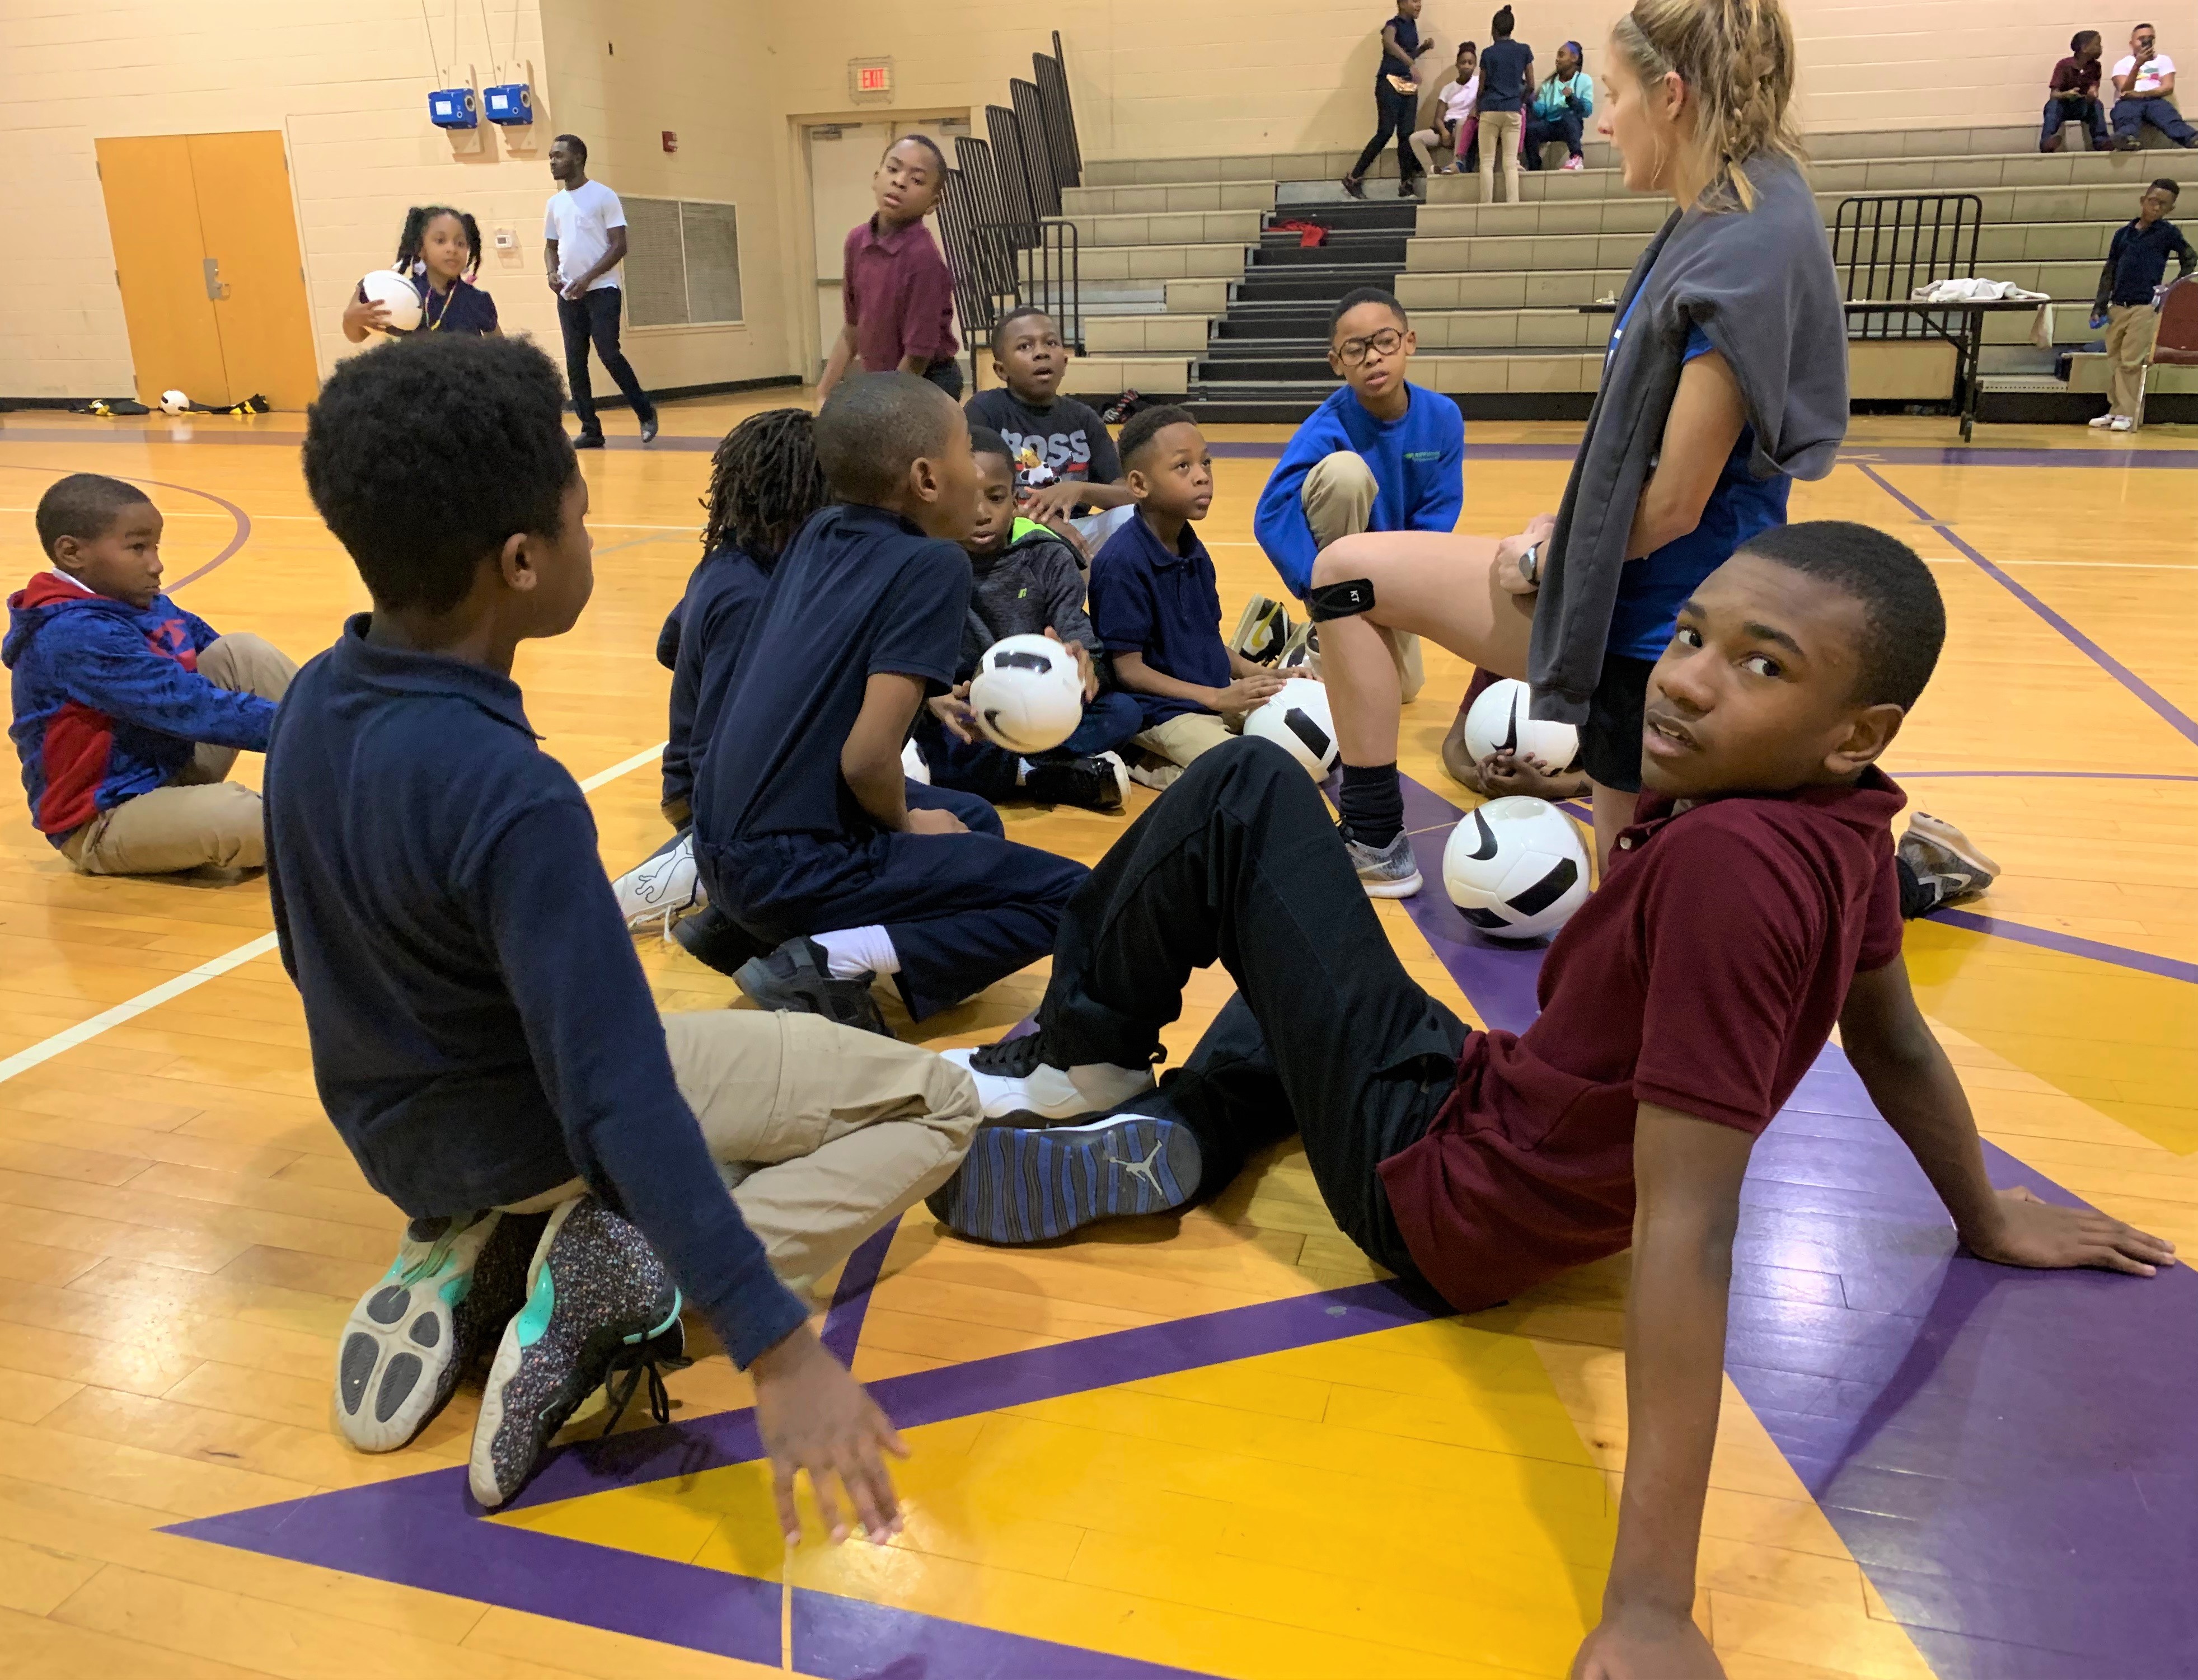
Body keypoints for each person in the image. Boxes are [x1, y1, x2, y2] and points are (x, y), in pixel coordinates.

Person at [925, 523, 2177, 1680]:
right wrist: (1982, 1215)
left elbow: (1695, 1230)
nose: (1686, 679)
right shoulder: (1849, 829)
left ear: (1857, 729)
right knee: (1288, 987)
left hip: (1447, 1201)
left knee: (1247, 795)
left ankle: (1082, 1054)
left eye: (1760, 665)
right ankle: (1195, 1133)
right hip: (1484, 1118)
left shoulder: (1727, 872)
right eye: (1689, 635)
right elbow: (1893, 1038)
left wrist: (1650, 1604)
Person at [279, 334, 976, 1526]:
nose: (593, 540)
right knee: (936, 1106)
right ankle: (613, 1277)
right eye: (582, 517)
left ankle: (493, 1240)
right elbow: (618, 1098)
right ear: (519, 560)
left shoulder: (308, 698)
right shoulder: (512, 796)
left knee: (645, 1082)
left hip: (395, 1142)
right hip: (528, 1127)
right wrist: (776, 1346)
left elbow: (310, 960)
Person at [1304, 0, 1848, 899]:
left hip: (1654, 618)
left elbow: (1674, 502)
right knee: (1345, 574)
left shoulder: (1738, 248)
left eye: (1615, 94)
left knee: (1630, 901)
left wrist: (1554, 551)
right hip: (1650, 578)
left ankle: (1375, 845)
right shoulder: (1743, 205)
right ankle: (1371, 840)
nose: (1601, 117)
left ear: (1671, 96)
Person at [689, 373, 1088, 1034]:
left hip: (719, 845)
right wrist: (904, 822)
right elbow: (866, 759)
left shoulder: (818, 531)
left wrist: (925, 701)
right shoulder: (937, 565)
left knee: (973, 820)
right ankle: (827, 957)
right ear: (927, 479)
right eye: (967, 451)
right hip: (790, 864)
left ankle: (748, 936)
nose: (985, 468)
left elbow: (816, 662)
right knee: (1069, 892)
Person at [610, 409, 831, 940]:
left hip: (713, 780)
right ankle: (687, 871)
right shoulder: (750, 599)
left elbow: (670, 645)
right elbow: (721, 748)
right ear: (804, 502)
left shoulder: (732, 562)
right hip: (711, 795)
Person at [6, 473, 295, 876]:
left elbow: (215, 661)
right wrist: (309, 727)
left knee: (241, 652)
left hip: (167, 766)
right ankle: (344, 793)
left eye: (155, 547)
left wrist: (328, 709)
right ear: (72, 553)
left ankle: (356, 764)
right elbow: (192, 707)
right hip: (106, 815)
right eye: (138, 548)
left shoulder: (142, 601)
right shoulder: (74, 635)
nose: (156, 564)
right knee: (244, 816)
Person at [1250, 287, 1463, 706]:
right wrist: (1317, 586)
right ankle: (1324, 621)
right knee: (1345, 472)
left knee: (1402, 691)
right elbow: (1272, 513)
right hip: (1336, 567)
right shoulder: (1327, 426)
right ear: (1336, 363)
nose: (1372, 357)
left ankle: (1293, 638)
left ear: (1409, 342)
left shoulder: (1442, 418)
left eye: (1385, 341)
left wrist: (1396, 586)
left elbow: (1438, 514)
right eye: (1354, 350)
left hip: (1390, 571)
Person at [913, 427, 1140, 813]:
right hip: (968, 715)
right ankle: (1040, 772)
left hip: (1043, 708)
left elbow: (1083, 642)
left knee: (1125, 713)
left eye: (996, 498)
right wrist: (932, 698)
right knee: (927, 743)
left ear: (1018, 500)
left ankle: (1018, 769)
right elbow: (907, 655)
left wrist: (1085, 665)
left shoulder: (1046, 555)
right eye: (966, 499)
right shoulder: (927, 564)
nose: (982, 514)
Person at [1088, 405, 1287, 781]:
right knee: (1244, 771)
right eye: (1184, 467)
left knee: (1303, 730)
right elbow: (1128, 671)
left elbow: (1206, 640)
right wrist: (1215, 698)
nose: (1202, 477)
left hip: (1210, 694)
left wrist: (1257, 673)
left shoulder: (1193, 550)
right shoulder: (1121, 562)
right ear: (1139, 485)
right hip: (1162, 712)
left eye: (1206, 463)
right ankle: (1142, 762)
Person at [819, 135, 963, 402]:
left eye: (917, 180)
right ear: (876, 178)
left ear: (933, 203)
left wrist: (886, 407)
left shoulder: (924, 259)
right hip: (883, 378)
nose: (899, 181)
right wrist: (823, 393)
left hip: (926, 381)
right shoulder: (856, 241)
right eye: (893, 169)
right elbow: (852, 328)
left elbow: (918, 355)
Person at [965, 306, 1132, 526]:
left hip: (1076, 526)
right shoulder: (985, 410)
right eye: (1025, 346)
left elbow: (1127, 495)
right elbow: (968, 496)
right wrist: (1049, 525)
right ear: (1001, 370)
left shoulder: (1084, 418)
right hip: (1012, 527)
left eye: (1051, 343)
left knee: (1132, 517)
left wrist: (1079, 490)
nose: (1041, 352)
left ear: (1064, 363)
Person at [543, 133, 659, 447]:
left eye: (558, 156)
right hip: (569, 294)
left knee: (608, 353)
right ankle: (591, 429)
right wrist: (552, 273)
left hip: (602, 290)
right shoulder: (554, 204)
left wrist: (588, 278)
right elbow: (550, 246)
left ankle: (646, 412)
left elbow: (619, 246)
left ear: (578, 159)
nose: (552, 161)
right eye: (551, 156)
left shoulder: (604, 196)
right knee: (575, 361)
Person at [2088, 178, 2195, 432]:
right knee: (2114, 358)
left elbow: (2190, 258)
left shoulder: (2168, 233)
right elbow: (2110, 270)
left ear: (2170, 210)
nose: (2156, 208)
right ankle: (2115, 411)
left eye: (2164, 205)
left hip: (2145, 306)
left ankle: (2127, 413)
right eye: (2153, 201)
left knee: (2131, 361)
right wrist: (2100, 305)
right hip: (2118, 306)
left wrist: (2173, 287)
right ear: (2143, 201)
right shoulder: (2122, 234)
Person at [342, 204, 499, 340]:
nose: (452, 249)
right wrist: (351, 319)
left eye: (460, 243)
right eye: (440, 241)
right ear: (421, 249)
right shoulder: (399, 295)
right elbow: (357, 336)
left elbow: (503, 351)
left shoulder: (479, 300)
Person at [1342, 0, 1438, 200]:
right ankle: (1353, 177)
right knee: (1385, 131)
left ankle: (1406, 184)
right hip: (1389, 83)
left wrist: (1422, 50)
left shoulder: (1412, 26)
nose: (1418, 5)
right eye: (1414, 1)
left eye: (1420, 2)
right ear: (1401, 4)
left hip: (1407, 85)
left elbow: (1405, 53)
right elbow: (1388, 42)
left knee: (1406, 134)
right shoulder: (1392, 24)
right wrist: (1411, 62)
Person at [1474, 6, 1535, 206]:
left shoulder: (1488, 53)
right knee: (1510, 163)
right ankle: (1513, 205)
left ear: (1494, 30)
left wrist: (1478, 105)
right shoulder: (1524, 50)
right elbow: (1532, 85)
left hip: (1490, 109)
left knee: (1487, 163)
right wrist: (1519, 101)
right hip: (1512, 109)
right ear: (1512, 28)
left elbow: (1482, 86)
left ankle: (1486, 206)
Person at [2110, 24, 2196, 151]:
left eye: (2150, 38)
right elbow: (2125, 90)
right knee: (2126, 116)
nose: (2146, 42)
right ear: (2131, 43)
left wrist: (2141, 94)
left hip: (2155, 100)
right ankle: (2127, 139)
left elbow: (2168, 87)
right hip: (2129, 101)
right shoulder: (2122, 64)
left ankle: (2192, 139)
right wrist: (2138, 65)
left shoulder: (2163, 60)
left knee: (2170, 118)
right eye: (2141, 39)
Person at [1410, 41, 1482, 176]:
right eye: (1463, 62)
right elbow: (1438, 118)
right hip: (1447, 128)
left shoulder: (1478, 83)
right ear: (1457, 64)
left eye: (1470, 63)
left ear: (1475, 65)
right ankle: (1431, 171)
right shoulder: (1448, 88)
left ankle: (1456, 164)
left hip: (1465, 128)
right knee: (1415, 138)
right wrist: (1444, 132)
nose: (1467, 66)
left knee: (1462, 123)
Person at [1526, 40, 1594, 170]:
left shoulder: (1584, 80)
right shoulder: (1549, 84)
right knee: (1531, 129)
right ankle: (1534, 165)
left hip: (1570, 126)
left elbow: (1587, 111)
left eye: (1561, 55)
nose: (1557, 59)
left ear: (1574, 58)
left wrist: (1572, 99)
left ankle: (1577, 158)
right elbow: (1542, 112)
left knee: (1567, 114)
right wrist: (1529, 101)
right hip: (1551, 126)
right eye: (1557, 56)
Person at [2042, 31, 2110, 154]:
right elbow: (2054, 95)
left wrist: (2092, 95)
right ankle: (2047, 142)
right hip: (2064, 106)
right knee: (2052, 106)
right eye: (2097, 45)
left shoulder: (2095, 67)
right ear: (2084, 48)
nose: (2100, 48)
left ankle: (2101, 141)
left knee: (2097, 105)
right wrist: (2067, 94)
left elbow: (2094, 89)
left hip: (2082, 106)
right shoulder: (2064, 65)